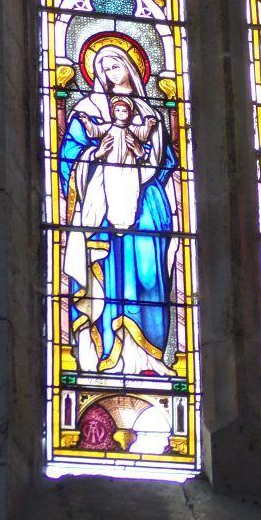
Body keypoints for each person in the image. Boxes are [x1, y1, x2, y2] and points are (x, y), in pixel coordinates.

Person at [60, 44, 175, 376]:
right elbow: (69, 158)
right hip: (103, 204)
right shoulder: (88, 108)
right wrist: (97, 157)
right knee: (110, 276)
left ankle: (150, 357)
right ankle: (111, 356)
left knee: (150, 275)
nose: (109, 73)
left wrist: (142, 159)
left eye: (115, 66)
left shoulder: (148, 112)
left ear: (130, 67)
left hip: (147, 204)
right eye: (103, 68)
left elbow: (166, 162)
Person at [79, 97, 158, 231]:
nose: (121, 113)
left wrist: (148, 126)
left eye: (124, 111)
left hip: (130, 168)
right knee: (113, 192)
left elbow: (143, 134)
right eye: (117, 110)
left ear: (130, 114)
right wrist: (87, 122)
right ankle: (115, 220)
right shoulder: (109, 127)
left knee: (130, 193)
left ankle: (127, 220)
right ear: (112, 112)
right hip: (112, 168)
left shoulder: (132, 129)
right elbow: (95, 131)